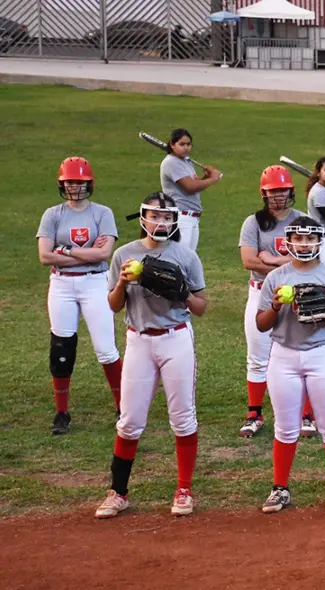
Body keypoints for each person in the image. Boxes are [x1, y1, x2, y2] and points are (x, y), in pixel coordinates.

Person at [94, 192, 207, 519]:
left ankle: (184, 489)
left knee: (183, 417)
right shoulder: (124, 254)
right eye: (155, 216)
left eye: (167, 217)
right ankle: (118, 492)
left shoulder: (185, 256)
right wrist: (121, 284)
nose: (160, 222)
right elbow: (114, 305)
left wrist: (182, 294)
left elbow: (201, 307)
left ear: (174, 221)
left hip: (175, 339)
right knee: (130, 420)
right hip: (139, 341)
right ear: (143, 217)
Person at [257, 216, 325, 513]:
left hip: (323, 353)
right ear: (288, 241)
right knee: (285, 427)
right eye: (298, 239)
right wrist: (276, 306)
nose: (304, 244)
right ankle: (279, 488)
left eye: (309, 238)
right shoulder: (275, 278)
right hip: (283, 355)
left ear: (319, 241)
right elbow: (261, 324)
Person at [36, 157, 122, 434]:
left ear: (89, 184)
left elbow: (104, 254)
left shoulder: (102, 213)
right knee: (61, 346)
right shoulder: (52, 214)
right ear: (62, 184)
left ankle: (123, 408)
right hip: (62, 285)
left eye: (80, 182)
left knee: (106, 350)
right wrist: (86, 254)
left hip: (95, 282)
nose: (74, 187)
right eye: (70, 182)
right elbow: (44, 256)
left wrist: (65, 250)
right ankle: (62, 413)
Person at [238, 166, 313, 439]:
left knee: (302, 353)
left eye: (282, 190)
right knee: (258, 356)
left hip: (299, 293)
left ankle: (307, 415)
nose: (278, 195)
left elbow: (310, 256)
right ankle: (254, 414)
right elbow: (248, 261)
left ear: (290, 190)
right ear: (264, 193)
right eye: (273, 191)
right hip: (261, 293)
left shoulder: (303, 220)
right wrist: (288, 263)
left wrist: (271, 259)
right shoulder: (253, 222)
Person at [158, 128, 222, 251]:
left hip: (192, 217)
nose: (186, 148)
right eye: (182, 144)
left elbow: (195, 185)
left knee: (189, 258)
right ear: (172, 144)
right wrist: (213, 179)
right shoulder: (171, 163)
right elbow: (190, 187)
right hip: (180, 217)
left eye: (188, 144)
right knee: (180, 256)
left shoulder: (186, 161)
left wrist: (206, 177)